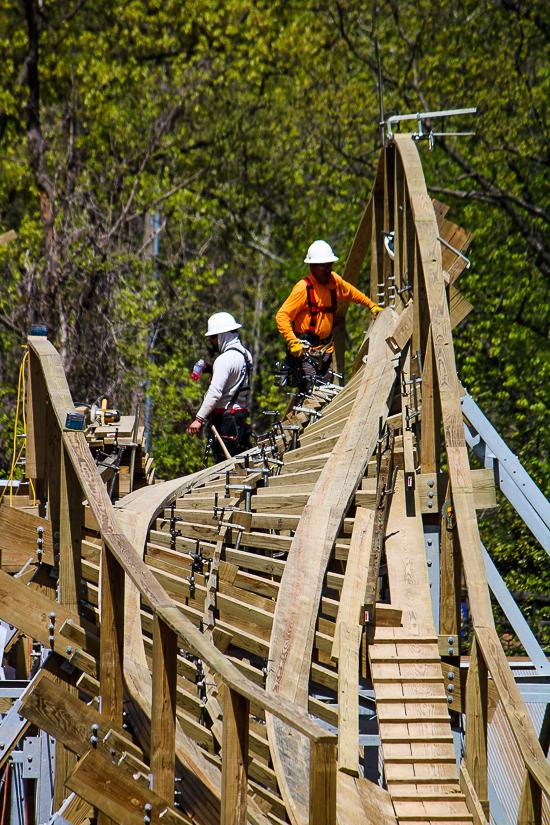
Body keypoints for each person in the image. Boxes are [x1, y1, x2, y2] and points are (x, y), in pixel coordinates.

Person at [275, 239, 382, 388]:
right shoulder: (303, 289)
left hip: (326, 352)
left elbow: (351, 292)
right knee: (311, 395)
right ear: (312, 267)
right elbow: (282, 316)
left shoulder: (334, 282)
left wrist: (370, 305)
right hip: (306, 353)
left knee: (325, 394)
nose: (328, 269)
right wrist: (292, 341)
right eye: (324, 266)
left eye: (330, 265)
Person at [188, 312, 252, 462]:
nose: (211, 341)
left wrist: (199, 419)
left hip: (226, 423)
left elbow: (215, 393)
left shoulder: (223, 359)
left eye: (213, 337)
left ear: (223, 335)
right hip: (239, 419)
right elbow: (235, 378)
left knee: (225, 470)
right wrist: (211, 369)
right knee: (239, 466)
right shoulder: (246, 355)